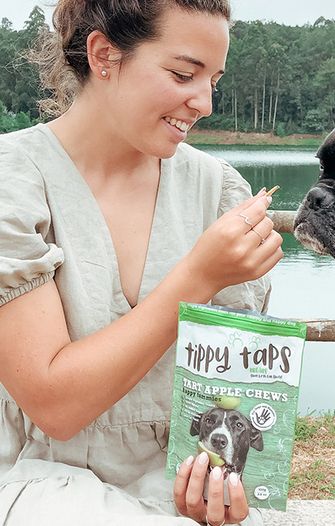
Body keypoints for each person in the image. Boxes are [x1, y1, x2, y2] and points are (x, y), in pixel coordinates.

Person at [0, 1, 283, 525]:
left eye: (214, 80)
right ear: (104, 54)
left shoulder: (218, 191)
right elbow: (54, 406)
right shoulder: (11, 183)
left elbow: (233, 400)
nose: (205, 102)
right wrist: (199, 277)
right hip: (39, 483)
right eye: (183, 74)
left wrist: (218, 483)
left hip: (171, 490)